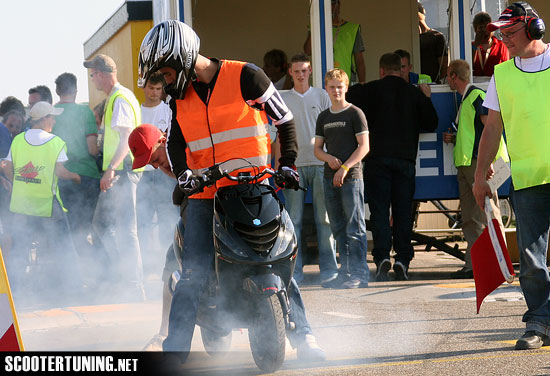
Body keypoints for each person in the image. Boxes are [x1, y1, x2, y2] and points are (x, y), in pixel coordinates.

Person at [137, 20, 326, 362]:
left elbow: (283, 120)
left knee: (277, 260)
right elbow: (177, 142)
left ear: (182, 58)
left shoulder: (246, 76)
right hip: (204, 195)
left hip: (252, 188)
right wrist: (183, 176)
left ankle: (306, 339)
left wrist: (288, 165)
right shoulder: (179, 97)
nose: (163, 81)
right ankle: (173, 354)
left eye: (164, 72)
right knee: (193, 274)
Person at [472, 2, 550, 350]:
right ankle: (539, 322)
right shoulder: (502, 74)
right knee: (531, 259)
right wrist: (479, 176)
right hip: (528, 178)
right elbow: (492, 128)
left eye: (511, 32)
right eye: (500, 33)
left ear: (535, 29)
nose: (505, 38)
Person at [347, 53, 438, 281]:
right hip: (405, 160)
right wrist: (426, 98)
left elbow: (348, 96)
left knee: (379, 211)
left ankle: (381, 257)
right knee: (402, 212)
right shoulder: (414, 93)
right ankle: (403, 259)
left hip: (376, 160)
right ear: (401, 70)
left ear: (381, 70)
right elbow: (431, 123)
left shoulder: (369, 91)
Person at [3, 101, 82, 296]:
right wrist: (75, 176)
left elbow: (6, 166)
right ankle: (71, 289)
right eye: (52, 117)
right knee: (63, 246)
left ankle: (13, 292)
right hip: (47, 206)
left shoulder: (18, 140)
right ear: (44, 119)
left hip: (22, 205)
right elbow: (60, 171)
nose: (54, 121)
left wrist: (18, 183)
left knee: (20, 248)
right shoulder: (55, 142)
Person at [84, 54, 145, 300]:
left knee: (123, 229)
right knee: (109, 226)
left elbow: (126, 138)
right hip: (122, 172)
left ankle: (132, 283)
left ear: (100, 74)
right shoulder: (120, 97)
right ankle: (127, 279)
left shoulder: (119, 99)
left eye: (92, 75)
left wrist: (110, 169)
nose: (92, 80)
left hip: (122, 172)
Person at [442, 59, 507, 279]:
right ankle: (475, 265)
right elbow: (474, 131)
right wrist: (455, 137)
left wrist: (487, 160)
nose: (445, 80)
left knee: (487, 213)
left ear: (453, 76)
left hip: (480, 164)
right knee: (471, 216)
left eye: (447, 76)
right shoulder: (467, 99)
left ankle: (498, 265)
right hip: (469, 163)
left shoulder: (476, 96)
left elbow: (490, 127)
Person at [278, 53, 337, 287]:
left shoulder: (322, 96)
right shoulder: (283, 98)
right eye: (297, 71)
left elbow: (330, 130)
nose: (301, 74)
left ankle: (330, 270)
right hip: (294, 165)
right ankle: (295, 272)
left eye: (304, 70)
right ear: (290, 73)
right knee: (293, 222)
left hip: (320, 164)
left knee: (325, 220)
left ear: (310, 71)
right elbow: (277, 136)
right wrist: (278, 165)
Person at [313, 68, 370, 289]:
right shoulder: (324, 117)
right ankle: (344, 272)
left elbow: (364, 147)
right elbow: (317, 149)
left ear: (346, 87)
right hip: (329, 178)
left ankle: (359, 274)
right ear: (326, 88)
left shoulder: (355, 113)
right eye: (332, 87)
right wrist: (328, 158)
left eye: (340, 86)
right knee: (337, 227)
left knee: (354, 227)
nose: (336, 90)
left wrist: (345, 167)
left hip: (351, 178)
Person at [128, 124, 182, 351]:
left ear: (163, 141)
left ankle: (296, 328)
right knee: (171, 264)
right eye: (152, 164)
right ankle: (163, 334)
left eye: (156, 159)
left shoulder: (185, 147)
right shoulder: (173, 164)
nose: (157, 166)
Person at [52, 73, 102, 268]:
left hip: (61, 177)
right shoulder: (85, 112)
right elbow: (92, 149)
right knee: (87, 228)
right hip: (86, 176)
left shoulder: (52, 114)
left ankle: (75, 273)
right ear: (76, 90)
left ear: (57, 91)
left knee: (70, 229)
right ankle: (100, 270)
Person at [137, 71, 178, 276]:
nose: (154, 93)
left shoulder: (168, 110)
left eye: (158, 89)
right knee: (142, 220)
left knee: (167, 219)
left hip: (163, 172)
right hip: (142, 173)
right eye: (151, 88)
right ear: (144, 88)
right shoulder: (137, 111)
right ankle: (145, 266)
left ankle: (168, 264)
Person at [303, 0, 366, 84]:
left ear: (338, 5)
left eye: (331, 4)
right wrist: (316, 25)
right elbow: (308, 51)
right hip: (322, 81)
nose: (329, 8)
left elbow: (359, 60)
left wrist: (362, 84)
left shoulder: (352, 29)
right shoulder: (316, 27)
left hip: (346, 81)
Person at [472, 12, 510, 78]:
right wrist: (475, 47)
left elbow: (506, 69)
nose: (484, 31)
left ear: (491, 30)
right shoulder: (471, 47)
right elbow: (467, 68)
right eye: (481, 28)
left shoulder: (501, 46)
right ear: (475, 30)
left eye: (486, 27)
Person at [418, 2, 448, 83]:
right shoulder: (407, 40)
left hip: (433, 86)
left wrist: (440, 85)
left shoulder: (436, 36)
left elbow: (444, 66)